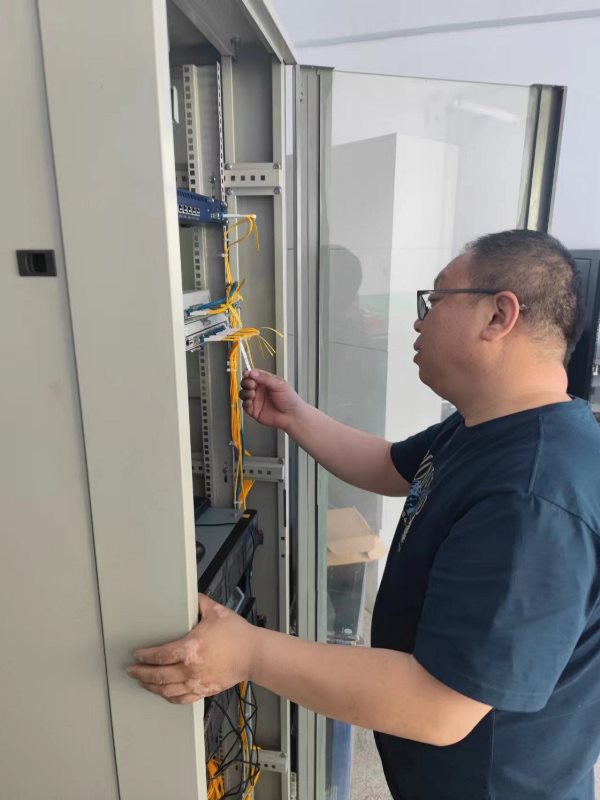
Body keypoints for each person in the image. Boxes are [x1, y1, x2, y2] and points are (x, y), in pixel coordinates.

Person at [128, 230, 600, 800]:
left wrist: (248, 652)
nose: (419, 321)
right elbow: (389, 465)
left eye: (436, 299)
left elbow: (439, 708)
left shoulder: (535, 494)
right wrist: (294, 416)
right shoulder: (490, 427)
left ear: (499, 315)